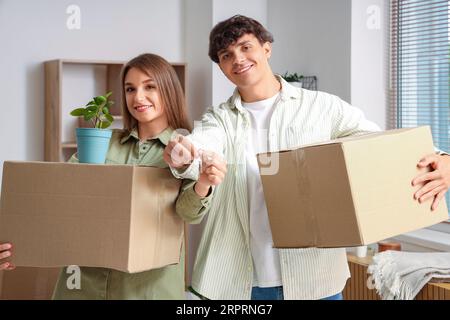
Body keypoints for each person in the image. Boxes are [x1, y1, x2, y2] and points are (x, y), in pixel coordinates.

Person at [163, 15, 450, 300]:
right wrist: (184, 153)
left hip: (315, 280)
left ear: (266, 48)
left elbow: (378, 143)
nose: (238, 58)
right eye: (227, 55)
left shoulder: (323, 107)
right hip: (238, 284)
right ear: (222, 67)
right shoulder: (219, 119)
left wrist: (441, 156)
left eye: (246, 47)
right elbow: (201, 145)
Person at [0, 53, 226, 299]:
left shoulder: (185, 148)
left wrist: (203, 182)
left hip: (146, 290)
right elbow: (60, 199)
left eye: (149, 86)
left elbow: (188, 213)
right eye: (130, 89)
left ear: (169, 90)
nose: (138, 97)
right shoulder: (103, 143)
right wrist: (21, 247)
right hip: (82, 287)